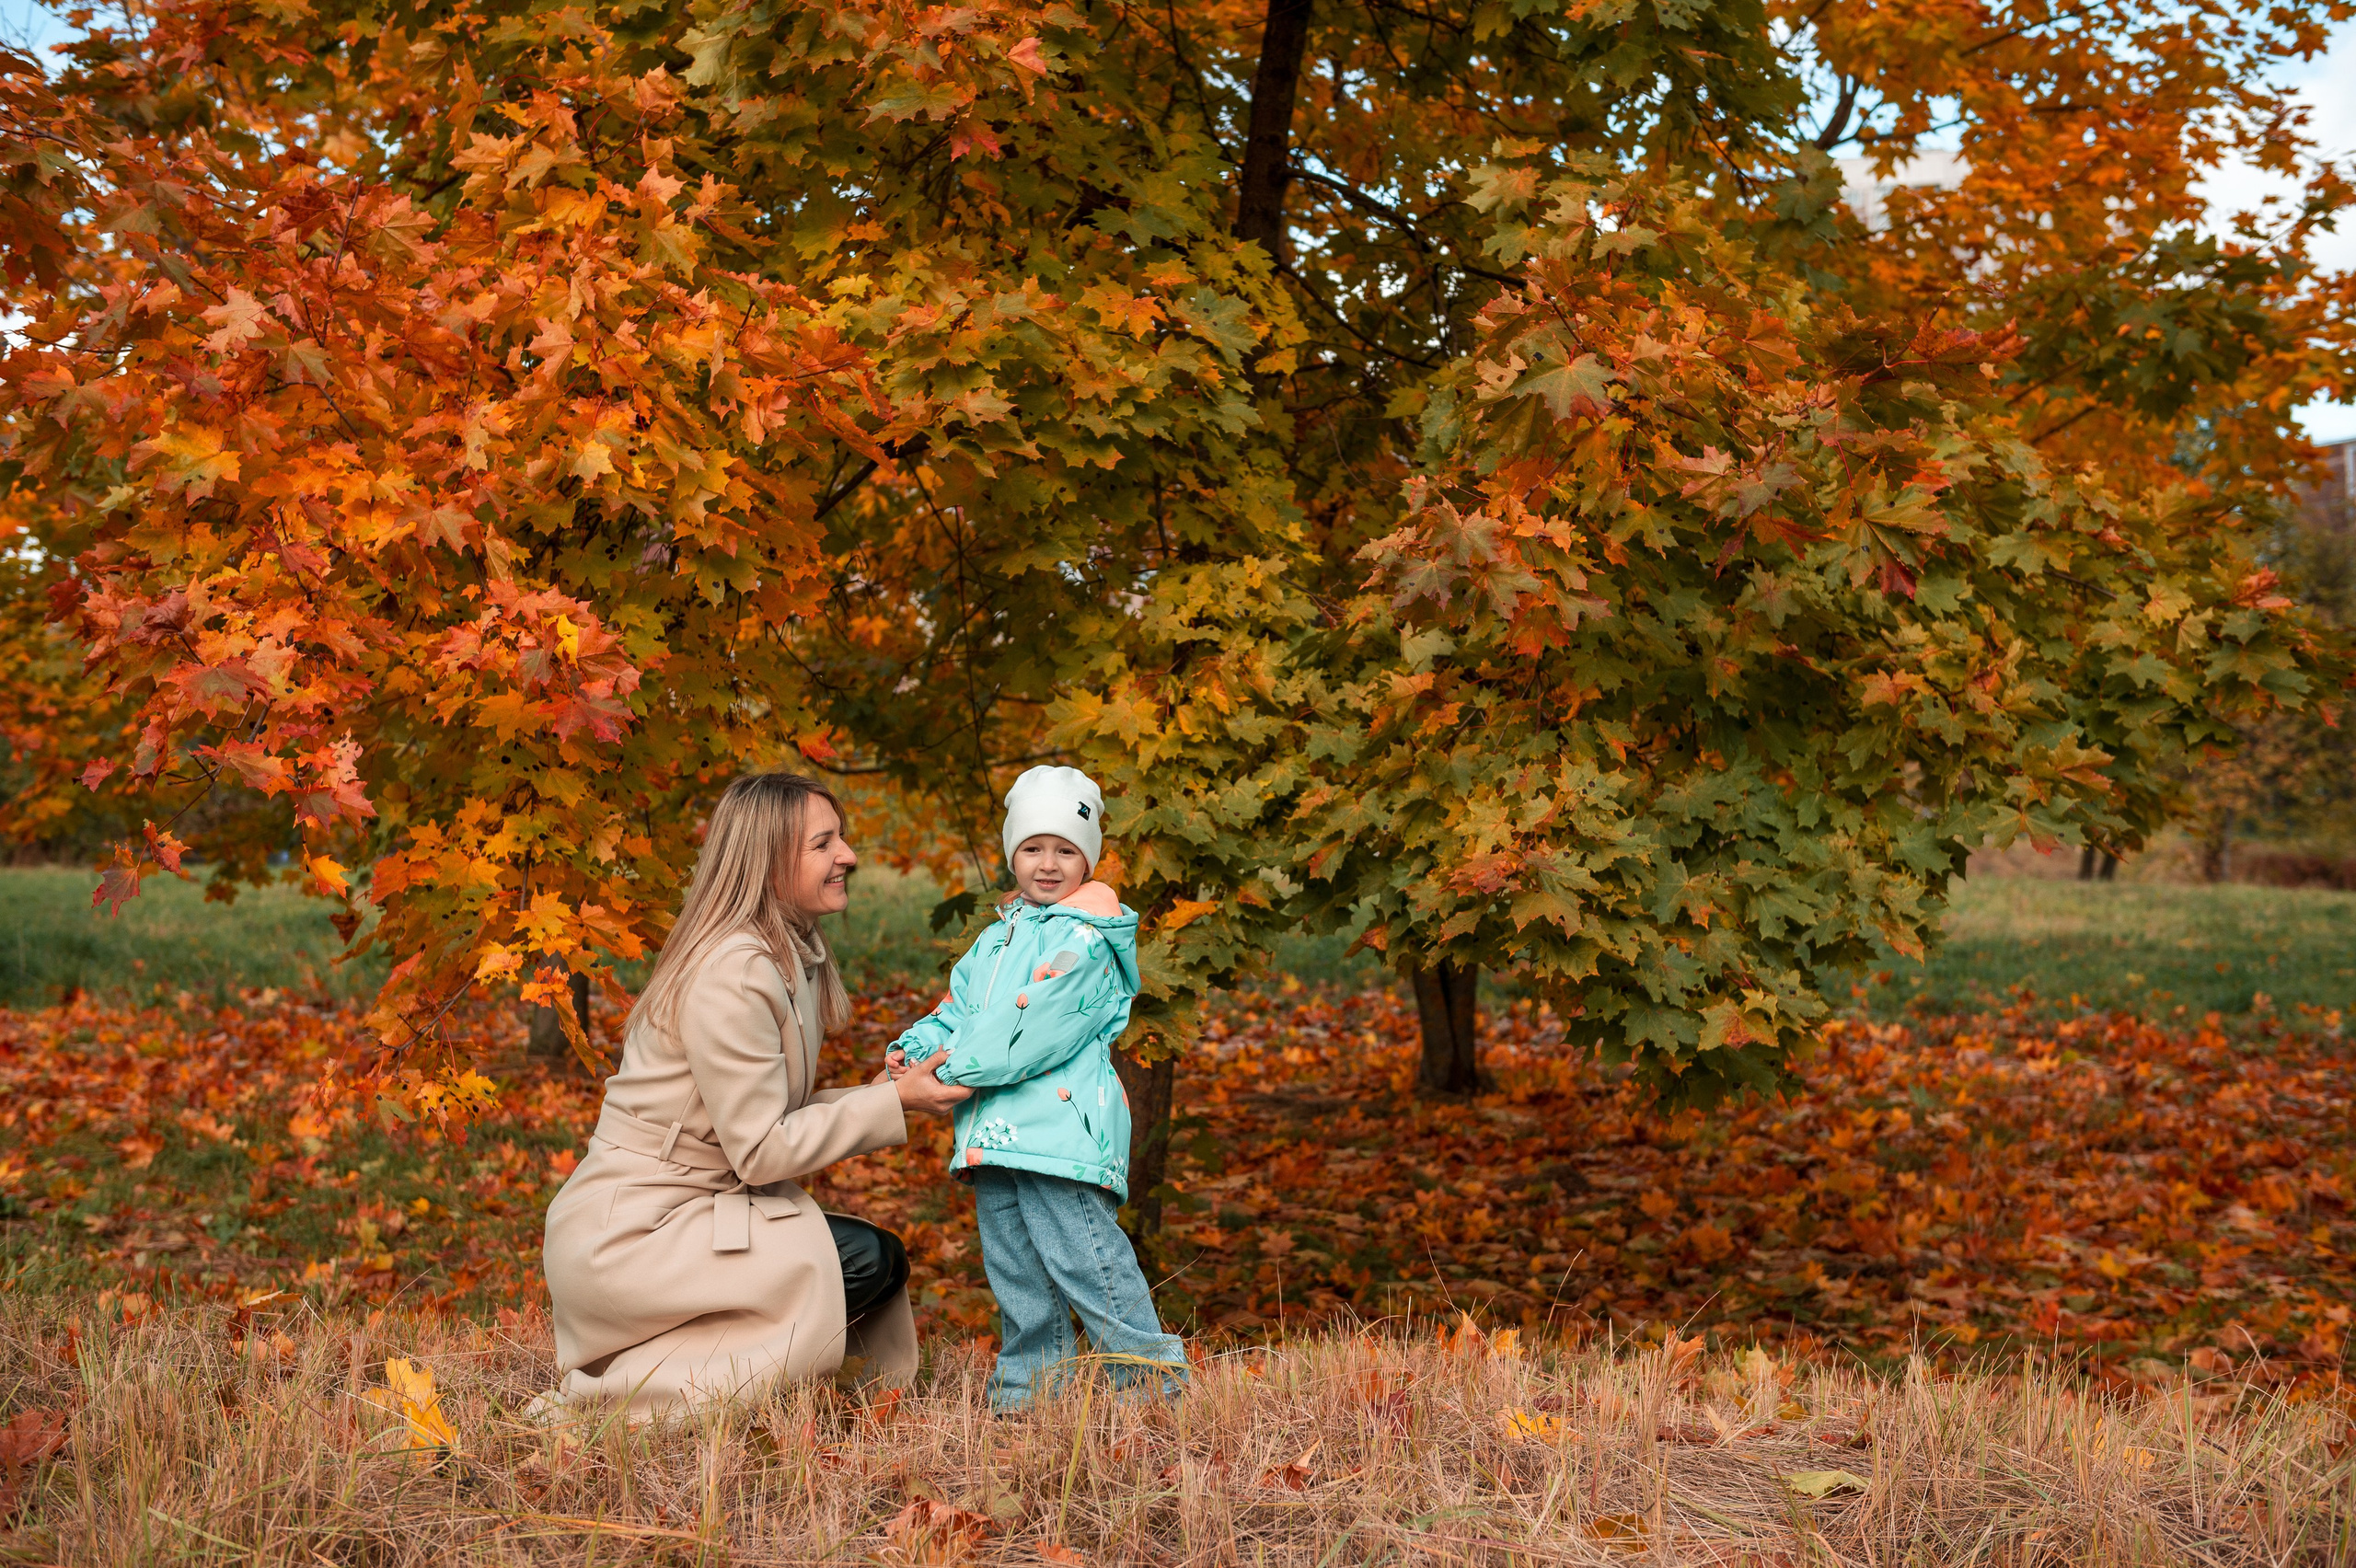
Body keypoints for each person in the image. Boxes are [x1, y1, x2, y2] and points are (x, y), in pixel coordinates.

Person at [538, 772, 971, 1419]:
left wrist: (888, 1093)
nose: (847, 855)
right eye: (823, 844)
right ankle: (626, 1386)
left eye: (841, 839)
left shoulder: (783, 955)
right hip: (633, 1236)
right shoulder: (733, 972)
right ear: (770, 864)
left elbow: (771, 1120)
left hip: (687, 1214)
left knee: (872, 1261)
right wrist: (895, 1103)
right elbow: (763, 1152)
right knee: (853, 1263)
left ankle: (732, 1367)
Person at [887, 765, 1188, 1411]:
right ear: (1012, 853)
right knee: (1018, 1272)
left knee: (1086, 1259)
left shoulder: (1084, 938)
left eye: (1065, 850)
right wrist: (912, 1050)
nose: (1047, 864)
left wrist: (946, 1069)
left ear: (1087, 859)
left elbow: (1032, 1026)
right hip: (994, 1133)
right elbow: (956, 1009)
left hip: (1059, 1132)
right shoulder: (995, 939)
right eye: (1032, 848)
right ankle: (1028, 1397)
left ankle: (1153, 1389)